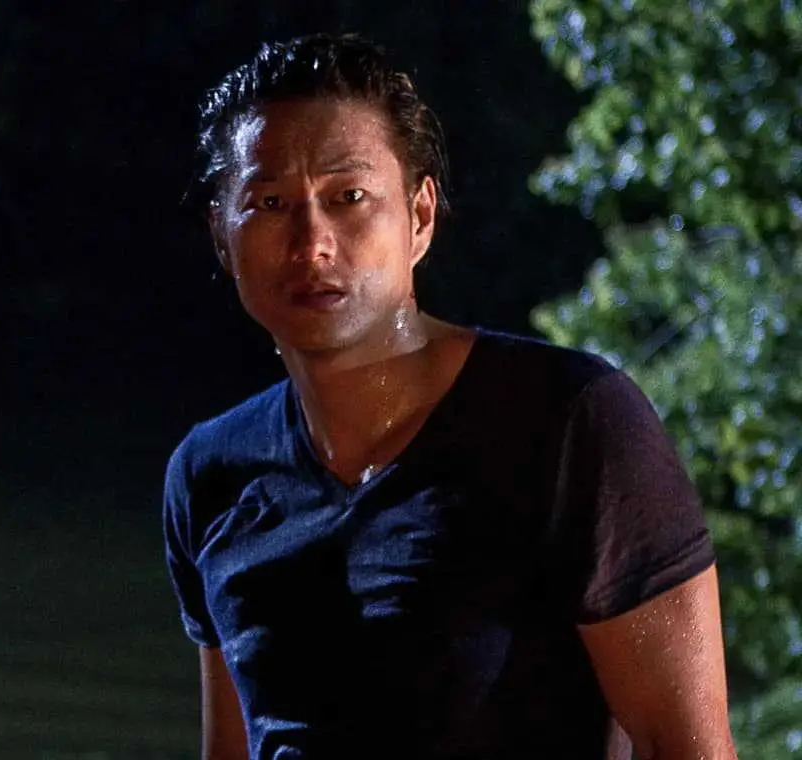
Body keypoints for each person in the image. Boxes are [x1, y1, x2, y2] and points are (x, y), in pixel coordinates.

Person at [162, 34, 734, 759]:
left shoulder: (570, 423)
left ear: (420, 217)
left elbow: (687, 746)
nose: (312, 244)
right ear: (222, 236)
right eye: (270, 203)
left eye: (349, 197)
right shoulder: (210, 473)